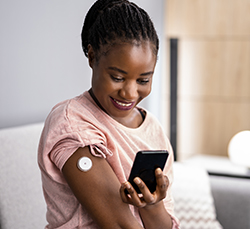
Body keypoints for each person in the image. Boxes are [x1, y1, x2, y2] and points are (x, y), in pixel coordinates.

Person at [38, 0, 180, 228]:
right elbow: (121, 225)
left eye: (143, 80)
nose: (130, 93)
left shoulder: (154, 129)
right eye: (118, 77)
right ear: (92, 57)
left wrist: (152, 205)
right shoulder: (72, 122)